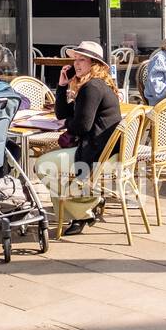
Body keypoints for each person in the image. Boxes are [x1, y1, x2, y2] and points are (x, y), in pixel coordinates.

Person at [53, 40, 121, 235]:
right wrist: (61, 85)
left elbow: (82, 126)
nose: (76, 64)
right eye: (76, 59)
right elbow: (62, 113)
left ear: (94, 64)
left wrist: (66, 124)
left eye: (82, 60)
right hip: (104, 149)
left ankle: (82, 212)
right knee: (56, 160)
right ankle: (85, 203)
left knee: (41, 165)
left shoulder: (91, 87)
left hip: (98, 153)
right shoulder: (94, 84)